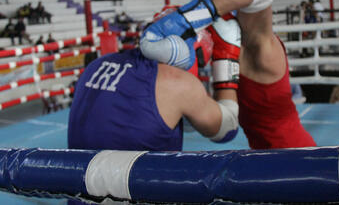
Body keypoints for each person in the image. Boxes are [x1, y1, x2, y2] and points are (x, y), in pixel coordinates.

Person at [140, 0, 316, 149]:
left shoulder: (260, 44)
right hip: (264, 158)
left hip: (297, 156)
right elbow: (219, 121)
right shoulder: (225, 42)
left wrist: (184, 18)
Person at [68, 11, 241, 151]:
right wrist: (227, 63)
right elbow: (228, 129)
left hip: (77, 190)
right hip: (142, 191)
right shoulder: (176, 82)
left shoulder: (97, 64)